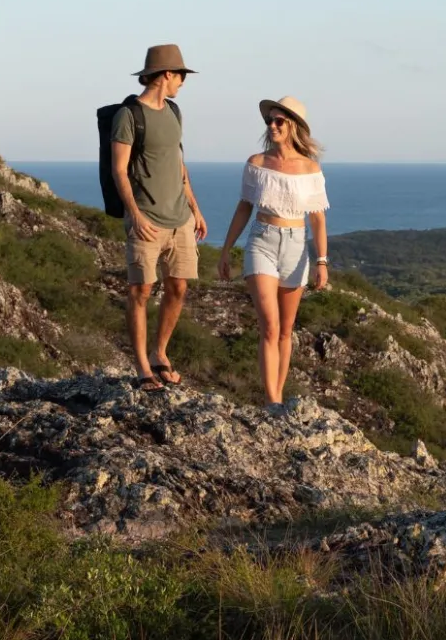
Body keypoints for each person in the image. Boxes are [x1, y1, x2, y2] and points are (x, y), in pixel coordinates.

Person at [218, 96, 328, 410]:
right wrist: (226, 250)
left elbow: (318, 218)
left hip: (296, 244)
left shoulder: (309, 168)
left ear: (293, 126)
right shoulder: (256, 163)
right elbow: (243, 207)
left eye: (280, 120)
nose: (273, 125)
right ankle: (271, 401)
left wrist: (322, 260)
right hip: (261, 241)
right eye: (270, 120)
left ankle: (278, 397)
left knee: (286, 330)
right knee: (269, 325)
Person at [110, 44, 207, 392]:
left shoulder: (174, 112)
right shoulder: (129, 115)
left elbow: (178, 164)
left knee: (178, 287)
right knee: (141, 291)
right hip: (146, 219)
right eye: (180, 75)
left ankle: (159, 353)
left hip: (179, 218)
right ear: (167, 74)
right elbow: (119, 169)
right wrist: (133, 214)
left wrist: (194, 207)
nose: (182, 82)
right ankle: (141, 368)